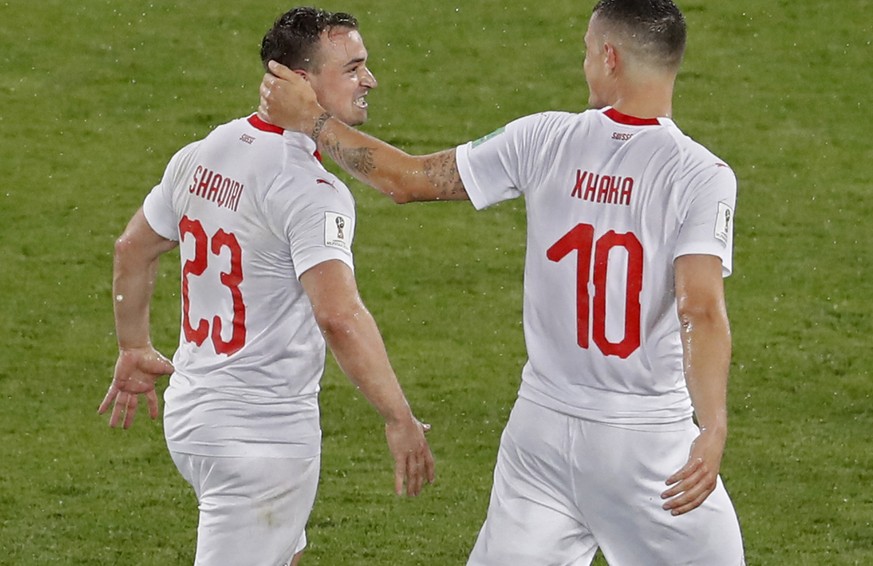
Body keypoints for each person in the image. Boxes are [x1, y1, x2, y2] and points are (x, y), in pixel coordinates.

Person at [257, 0, 745, 563]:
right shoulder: (700, 174)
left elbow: (406, 179)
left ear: (609, 57)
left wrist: (313, 121)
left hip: (540, 434)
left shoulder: (543, 139)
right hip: (645, 444)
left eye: (588, 51)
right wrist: (712, 426)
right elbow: (700, 310)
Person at [98, 7, 435, 566]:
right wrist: (399, 417)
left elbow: (132, 248)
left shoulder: (205, 150)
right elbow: (339, 316)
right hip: (261, 436)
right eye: (352, 68)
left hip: (194, 415)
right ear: (302, 83)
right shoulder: (310, 188)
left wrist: (133, 345)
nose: (369, 80)